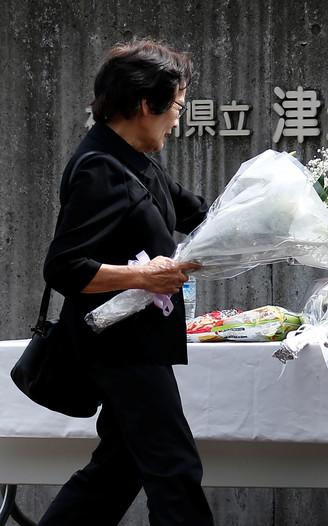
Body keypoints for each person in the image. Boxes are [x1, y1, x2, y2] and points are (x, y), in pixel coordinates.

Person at [39, 39, 214, 525]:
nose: (179, 116)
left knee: (119, 467)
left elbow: (201, 213)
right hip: (119, 347)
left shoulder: (137, 158)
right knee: (174, 468)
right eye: (177, 104)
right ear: (145, 104)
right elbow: (64, 267)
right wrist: (145, 275)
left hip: (136, 343)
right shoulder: (100, 167)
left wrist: (282, 223)